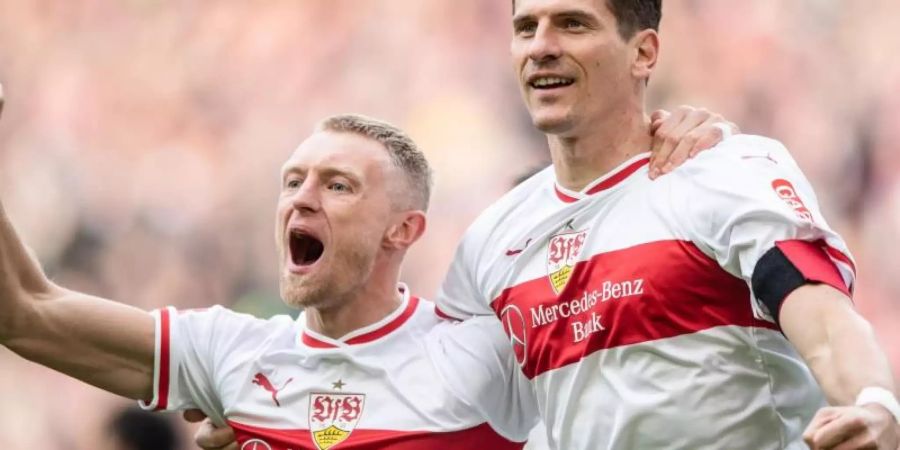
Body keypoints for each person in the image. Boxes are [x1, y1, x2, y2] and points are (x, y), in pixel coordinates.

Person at [0, 81, 732, 449]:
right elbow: (25, 315)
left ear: (402, 230)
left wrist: (679, 144)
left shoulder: (479, 355)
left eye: (337, 186)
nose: (300, 200)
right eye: (292, 181)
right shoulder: (232, 354)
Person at [430, 1, 900, 449]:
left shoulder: (724, 173)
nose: (541, 46)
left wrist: (872, 401)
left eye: (573, 24)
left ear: (643, 52)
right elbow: (442, 401)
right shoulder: (489, 240)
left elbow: (824, 316)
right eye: (526, 28)